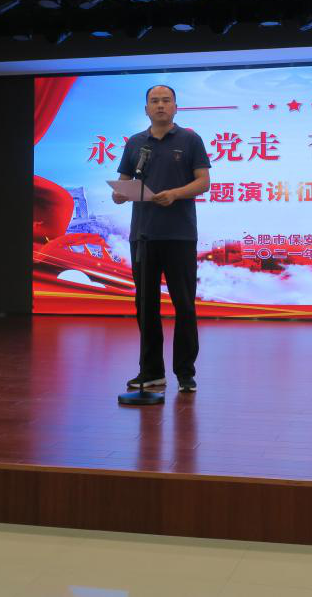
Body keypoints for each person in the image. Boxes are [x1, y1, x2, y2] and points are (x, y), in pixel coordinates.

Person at [114, 84, 210, 393]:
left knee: (184, 305)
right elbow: (124, 182)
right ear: (146, 109)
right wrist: (119, 194)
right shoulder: (135, 143)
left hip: (179, 235)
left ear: (175, 107)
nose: (160, 105)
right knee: (146, 305)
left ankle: (185, 372)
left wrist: (175, 194)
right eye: (154, 101)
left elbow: (203, 182)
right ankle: (152, 371)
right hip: (143, 236)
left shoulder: (190, 140)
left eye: (166, 100)